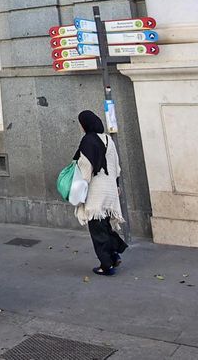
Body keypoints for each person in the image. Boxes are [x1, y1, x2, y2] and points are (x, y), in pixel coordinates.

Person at [72, 110, 128, 275]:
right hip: (109, 188)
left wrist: (80, 186)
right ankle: (114, 253)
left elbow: (85, 167)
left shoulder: (88, 141)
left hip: (96, 190)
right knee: (104, 225)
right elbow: (116, 166)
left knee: (97, 228)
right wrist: (116, 185)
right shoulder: (108, 140)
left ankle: (106, 265)